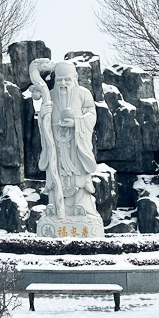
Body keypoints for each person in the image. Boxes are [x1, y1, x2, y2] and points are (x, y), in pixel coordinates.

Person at [38, 61, 98, 218]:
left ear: (75, 77)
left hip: (76, 143)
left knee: (78, 175)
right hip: (56, 144)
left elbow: (92, 115)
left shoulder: (83, 94)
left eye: (67, 79)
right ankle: (54, 206)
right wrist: (43, 114)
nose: (63, 83)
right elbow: (43, 120)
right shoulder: (49, 94)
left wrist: (77, 123)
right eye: (59, 80)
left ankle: (81, 206)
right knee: (55, 173)